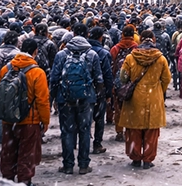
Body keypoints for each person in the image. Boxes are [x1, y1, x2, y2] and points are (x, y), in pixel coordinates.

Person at [50, 23, 103, 175]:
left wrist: (53, 97)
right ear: (87, 35)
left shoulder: (61, 55)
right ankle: (84, 165)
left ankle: (68, 165)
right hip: (86, 99)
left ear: (72, 35)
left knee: (67, 132)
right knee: (85, 131)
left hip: (65, 98)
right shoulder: (92, 54)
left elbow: (54, 78)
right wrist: (97, 97)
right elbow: (99, 79)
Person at [0, 38, 50, 186]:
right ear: (35, 52)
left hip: (8, 119)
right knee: (26, 154)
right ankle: (24, 181)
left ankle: (7, 180)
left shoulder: (6, 69)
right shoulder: (37, 72)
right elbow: (42, 100)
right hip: (29, 121)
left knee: (8, 152)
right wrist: (45, 121)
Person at [117, 30, 171, 169]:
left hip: (134, 98)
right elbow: (166, 79)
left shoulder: (130, 57)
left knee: (133, 129)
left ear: (140, 40)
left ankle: (135, 157)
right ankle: (148, 159)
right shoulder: (161, 58)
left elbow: (123, 77)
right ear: (153, 39)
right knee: (151, 131)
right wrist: (159, 90)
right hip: (154, 97)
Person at [110, 25, 138, 142]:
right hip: (132, 82)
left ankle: (119, 131)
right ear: (133, 35)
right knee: (130, 107)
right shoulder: (136, 48)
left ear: (122, 34)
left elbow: (111, 66)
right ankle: (129, 130)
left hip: (118, 82)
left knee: (118, 108)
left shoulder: (115, 48)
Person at [87, 26, 113, 154]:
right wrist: (108, 92)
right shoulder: (103, 53)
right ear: (101, 37)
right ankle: (97, 144)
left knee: (84, 118)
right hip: (99, 89)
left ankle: (83, 143)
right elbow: (108, 75)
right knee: (99, 118)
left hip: (84, 89)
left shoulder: (82, 50)